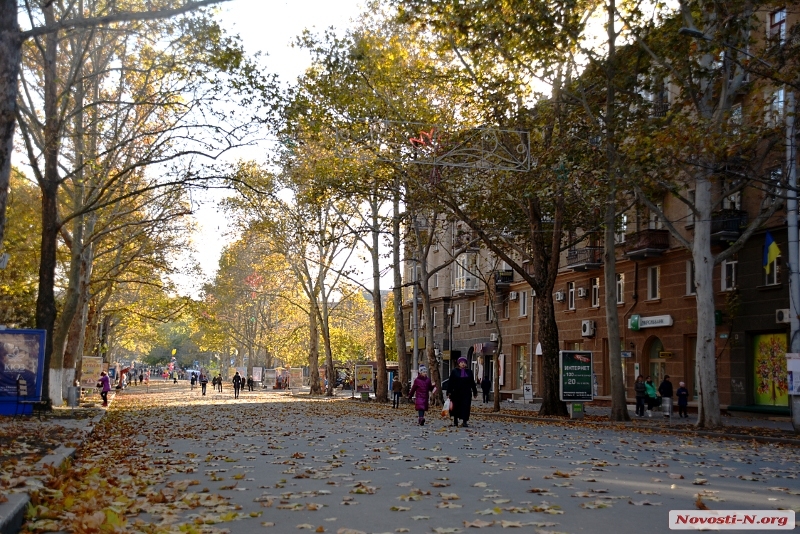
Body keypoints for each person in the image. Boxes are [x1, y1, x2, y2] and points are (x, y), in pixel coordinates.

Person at [447, 357, 478, 428]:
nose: (463, 364)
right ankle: (455, 420)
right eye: (461, 362)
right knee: (456, 407)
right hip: (456, 393)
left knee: (466, 407)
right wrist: (449, 392)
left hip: (466, 393)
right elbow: (450, 382)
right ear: (459, 363)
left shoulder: (469, 372)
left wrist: (475, 392)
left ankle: (465, 421)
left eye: (464, 362)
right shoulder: (454, 371)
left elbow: (472, 382)